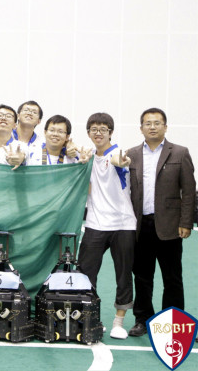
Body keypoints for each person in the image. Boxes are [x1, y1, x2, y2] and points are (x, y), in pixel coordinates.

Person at [125, 108, 196, 337]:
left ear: (165, 127)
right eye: (148, 123)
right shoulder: (132, 154)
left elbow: (189, 191)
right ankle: (143, 319)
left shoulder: (180, 153)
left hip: (170, 226)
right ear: (141, 128)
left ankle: (173, 322)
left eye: (157, 123)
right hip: (140, 226)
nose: (152, 127)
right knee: (142, 277)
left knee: (172, 278)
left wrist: (186, 222)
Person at [78, 112, 136, 340]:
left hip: (123, 224)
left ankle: (119, 322)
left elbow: (120, 162)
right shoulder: (88, 156)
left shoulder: (118, 154)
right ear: (89, 133)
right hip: (95, 223)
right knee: (85, 273)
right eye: (94, 129)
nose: (98, 133)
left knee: (123, 274)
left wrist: (122, 163)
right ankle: (92, 318)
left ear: (110, 132)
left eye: (103, 129)